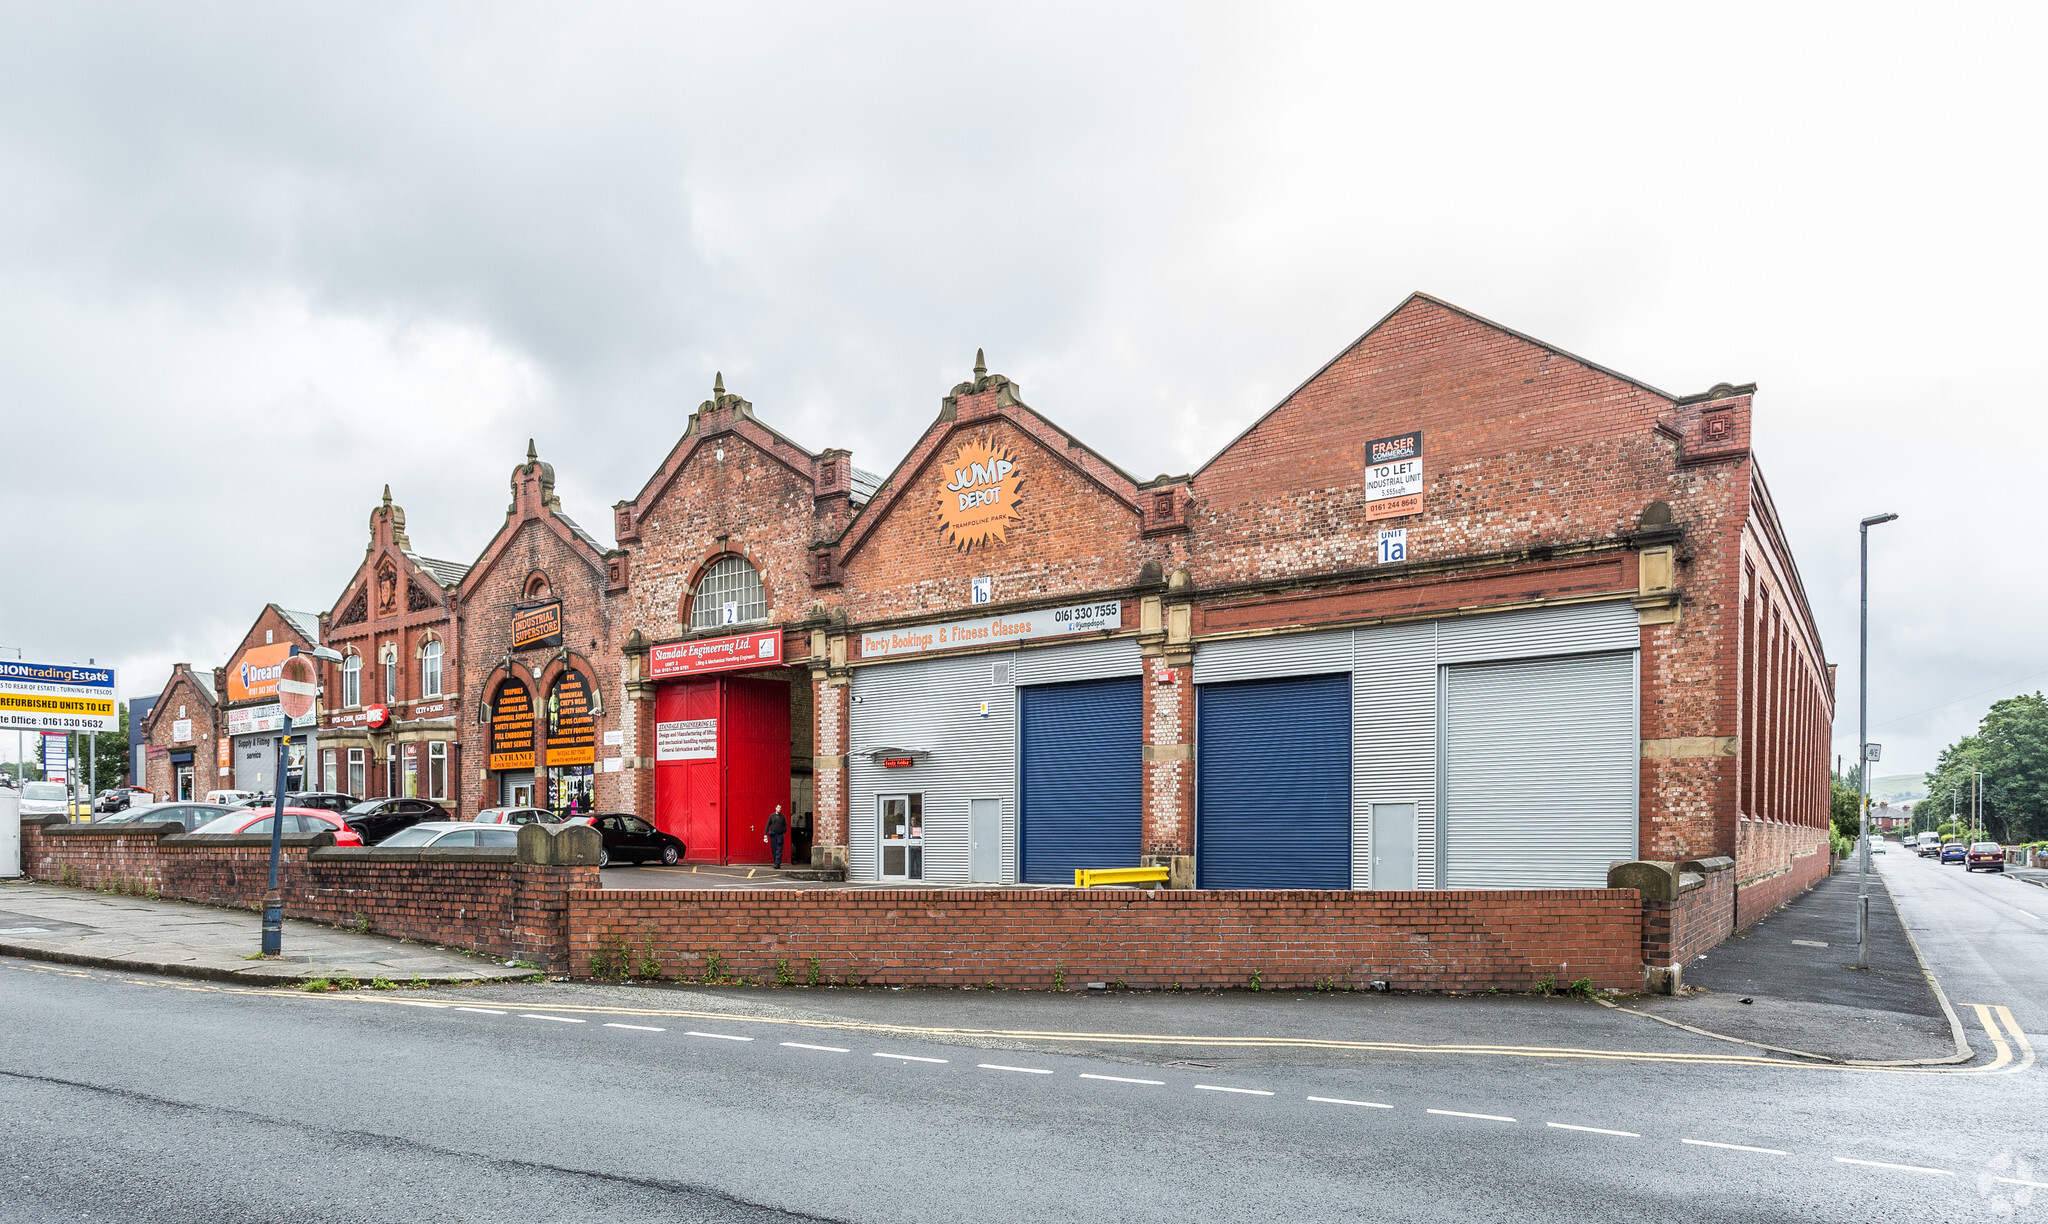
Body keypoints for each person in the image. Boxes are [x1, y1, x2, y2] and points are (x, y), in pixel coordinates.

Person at [766, 804, 789, 869]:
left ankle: (777, 863)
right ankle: (776, 863)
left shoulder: (782, 817)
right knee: (774, 849)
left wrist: (783, 832)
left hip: (780, 835)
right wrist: (765, 834)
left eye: (780, 808)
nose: (779, 809)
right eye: (778, 808)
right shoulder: (772, 816)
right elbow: (768, 825)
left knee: (779, 850)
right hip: (773, 835)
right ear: (775, 808)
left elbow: (785, 826)